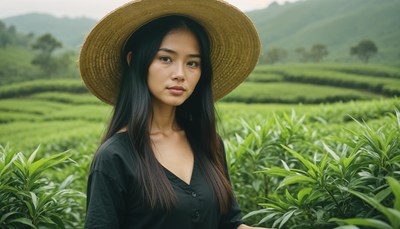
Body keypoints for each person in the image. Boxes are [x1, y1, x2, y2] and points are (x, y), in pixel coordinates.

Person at [79, 0, 266, 228]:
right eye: (166, 58)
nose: (180, 74)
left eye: (193, 63)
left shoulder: (209, 143)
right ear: (134, 61)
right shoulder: (115, 157)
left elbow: (229, 223)